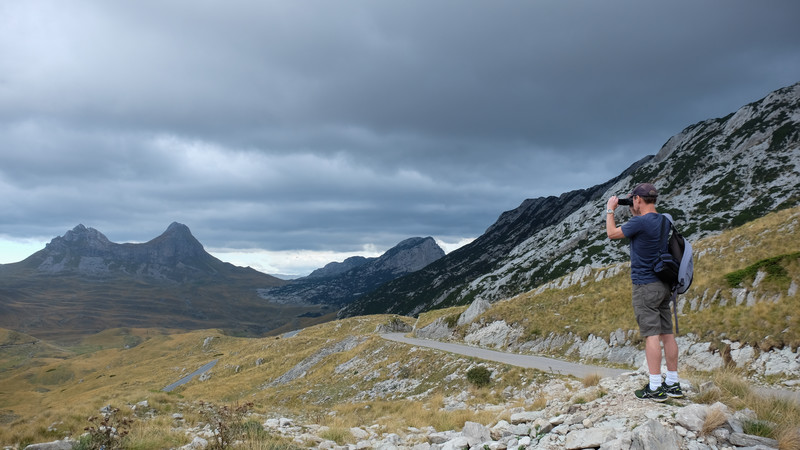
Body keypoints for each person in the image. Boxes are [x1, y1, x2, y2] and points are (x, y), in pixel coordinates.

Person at [606, 183, 683, 401]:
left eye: (632, 200)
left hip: (645, 285)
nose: (631, 203)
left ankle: (656, 386)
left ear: (638, 199)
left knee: (651, 336)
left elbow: (612, 234)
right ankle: (673, 383)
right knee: (667, 334)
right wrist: (632, 208)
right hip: (664, 283)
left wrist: (611, 208)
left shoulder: (639, 222)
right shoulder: (665, 220)